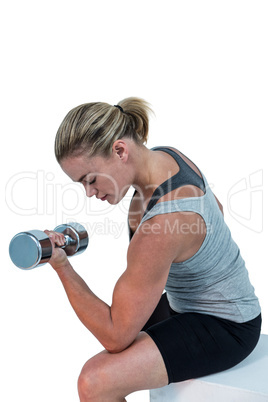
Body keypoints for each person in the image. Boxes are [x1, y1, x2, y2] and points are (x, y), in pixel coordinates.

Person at [46, 97, 261, 402]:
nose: (89, 193)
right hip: (185, 304)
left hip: (229, 326)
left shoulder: (162, 226)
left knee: (94, 383)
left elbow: (114, 336)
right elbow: (217, 210)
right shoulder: (167, 158)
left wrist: (61, 266)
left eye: (90, 179)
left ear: (120, 150)